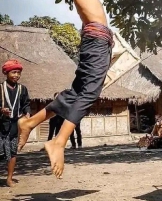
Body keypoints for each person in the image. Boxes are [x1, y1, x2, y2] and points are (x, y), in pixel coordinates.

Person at [17, 0, 114, 179]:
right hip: (97, 40)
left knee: (76, 94)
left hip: (98, 40)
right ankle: (58, 143)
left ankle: (30, 123)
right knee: (88, 93)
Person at [0, 59, 31, 187]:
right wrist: (1, 110)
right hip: (1, 125)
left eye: (18, 73)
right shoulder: (0, 88)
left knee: (13, 153)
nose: (16, 75)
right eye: (13, 72)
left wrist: (27, 113)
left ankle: (9, 179)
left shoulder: (22, 89)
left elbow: (26, 104)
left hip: (14, 125)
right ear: (6, 73)